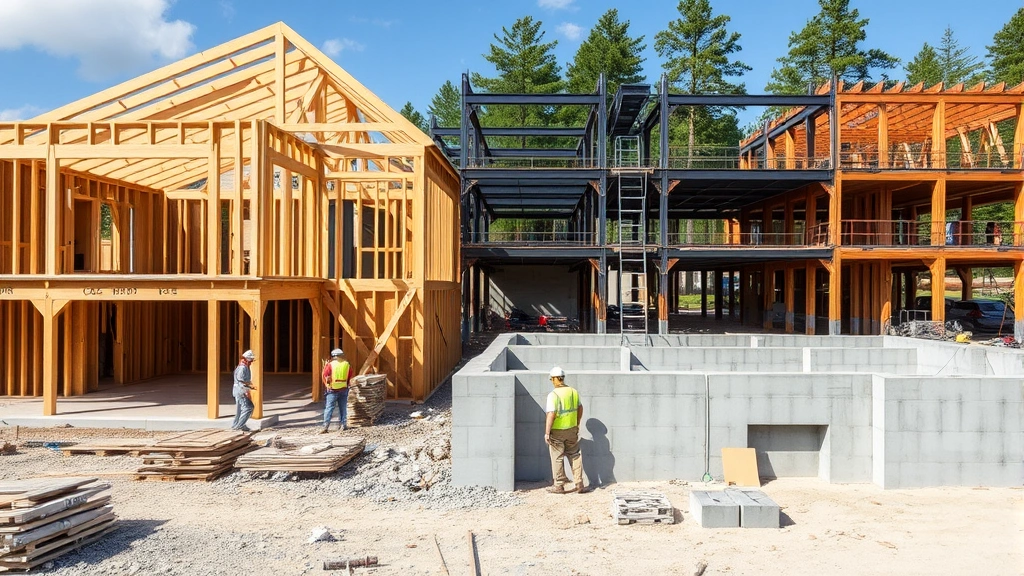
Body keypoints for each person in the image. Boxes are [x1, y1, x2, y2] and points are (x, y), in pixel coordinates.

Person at [544, 366, 590, 494]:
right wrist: (577, 423)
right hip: (572, 429)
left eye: (551, 379)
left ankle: (559, 485)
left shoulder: (553, 395)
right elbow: (580, 408)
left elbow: (551, 414)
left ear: (554, 379)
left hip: (557, 430)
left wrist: (547, 432)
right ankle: (579, 483)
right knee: (574, 454)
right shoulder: (573, 392)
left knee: (557, 457)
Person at [320, 348, 351, 433]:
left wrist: (327, 385)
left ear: (333, 356)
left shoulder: (330, 365)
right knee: (343, 408)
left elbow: (325, 375)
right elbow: (349, 376)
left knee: (329, 408)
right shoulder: (347, 364)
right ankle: (343, 425)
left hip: (332, 390)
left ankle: (325, 427)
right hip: (344, 389)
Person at [231, 350, 256, 431]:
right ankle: (240, 426)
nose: (252, 362)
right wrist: (250, 386)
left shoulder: (244, 366)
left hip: (240, 390)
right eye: (251, 360)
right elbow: (241, 379)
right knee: (248, 407)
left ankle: (235, 425)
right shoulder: (242, 367)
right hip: (240, 390)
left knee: (240, 409)